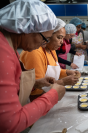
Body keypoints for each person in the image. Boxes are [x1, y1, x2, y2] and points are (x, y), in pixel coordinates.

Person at [0, 0, 66, 132]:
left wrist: (34, 83)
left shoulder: (9, 46)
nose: (44, 44)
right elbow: (10, 123)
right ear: (27, 29)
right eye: (45, 38)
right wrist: (53, 96)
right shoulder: (3, 52)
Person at [20, 18, 80, 97]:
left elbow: (55, 72)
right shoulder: (35, 52)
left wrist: (67, 73)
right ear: (48, 35)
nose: (62, 42)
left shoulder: (51, 51)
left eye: (63, 38)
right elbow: (36, 90)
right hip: (36, 101)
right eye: (59, 37)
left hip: (48, 96)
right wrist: (62, 82)